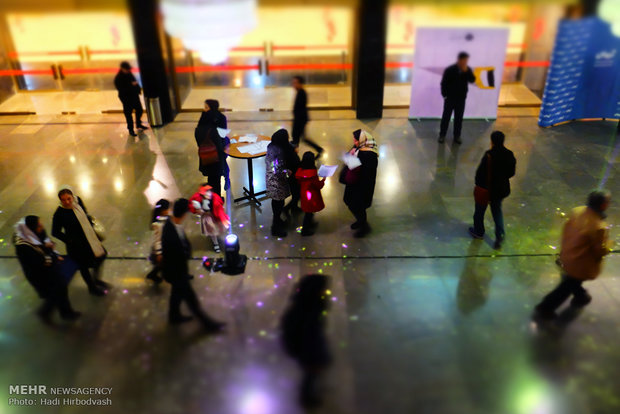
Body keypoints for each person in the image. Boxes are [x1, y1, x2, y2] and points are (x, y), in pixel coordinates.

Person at [534, 191, 613, 320]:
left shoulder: (577, 211)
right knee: (566, 288)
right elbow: (599, 250)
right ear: (603, 205)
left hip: (567, 254)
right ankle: (545, 307)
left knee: (570, 281)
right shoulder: (599, 227)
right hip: (580, 263)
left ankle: (581, 296)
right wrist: (609, 246)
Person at [161, 198, 225, 331]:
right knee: (191, 300)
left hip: (177, 272)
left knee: (176, 294)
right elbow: (172, 255)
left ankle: (174, 315)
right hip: (177, 272)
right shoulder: (170, 232)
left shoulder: (172, 224)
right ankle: (208, 324)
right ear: (184, 214)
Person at [13, 216, 81, 323]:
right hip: (40, 274)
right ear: (31, 228)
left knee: (59, 289)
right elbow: (39, 263)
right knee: (55, 292)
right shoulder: (23, 247)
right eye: (39, 225)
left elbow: (44, 239)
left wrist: (50, 246)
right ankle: (50, 313)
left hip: (49, 268)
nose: (42, 226)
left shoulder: (33, 231)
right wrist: (51, 253)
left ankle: (63, 312)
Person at [281, 274, 332, 408]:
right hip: (309, 350)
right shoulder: (309, 311)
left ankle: (310, 391)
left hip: (308, 347)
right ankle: (307, 397)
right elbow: (309, 334)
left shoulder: (304, 306)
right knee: (310, 374)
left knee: (312, 374)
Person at [52, 186, 109, 296]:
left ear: (72, 196)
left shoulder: (78, 201)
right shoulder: (59, 213)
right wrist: (69, 240)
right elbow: (55, 232)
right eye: (63, 200)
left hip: (89, 239)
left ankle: (96, 279)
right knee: (83, 267)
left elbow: (85, 213)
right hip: (76, 245)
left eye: (69, 198)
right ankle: (92, 287)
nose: (67, 202)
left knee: (101, 255)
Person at [468, 131, 516, 249]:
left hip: (487, 190)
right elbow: (511, 173)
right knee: (497, 212)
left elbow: (480, 173)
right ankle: (499, 236)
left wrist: (479, 185)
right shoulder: (509, 154)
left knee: (479, 212)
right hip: (501, 190)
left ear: (492, 141)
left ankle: (478, 232)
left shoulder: (489, 155)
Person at [339, 129, 379, 238]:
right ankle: (361, 221)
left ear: (361, 140)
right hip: (356, 184)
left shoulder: (368, 155)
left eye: (355, 140)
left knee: (357, 205)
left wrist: (351, 158)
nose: (354, 142)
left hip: (361, 186)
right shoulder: (361, 145)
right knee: (352, 203)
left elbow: (362, 171)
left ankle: (364, 225)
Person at [439, 52, 476, 144]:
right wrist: (445, 95)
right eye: (464, 60)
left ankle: (457, 136)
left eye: (467, 60)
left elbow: (472, 79)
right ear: (459, 60)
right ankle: (442, 135)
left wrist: (466, 71)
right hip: (450, 98)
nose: (465, 62)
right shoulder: (450, 69)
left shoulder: (467, 69)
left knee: (459, 118)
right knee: (446, 117)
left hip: (461, 99)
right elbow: (443, 83)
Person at [197, 99, 231, 190]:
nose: (204, 109)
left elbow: (223, 134)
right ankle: (225, 179)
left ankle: (226, 178)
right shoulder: (204, 117)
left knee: (221, 164)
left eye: (206, 107)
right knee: (218, 168)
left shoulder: (220, 117)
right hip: (210, 148)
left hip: (219, 146)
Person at [266, 129, 293, 237]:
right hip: (275, 182)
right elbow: (276, 170)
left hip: (274, 180)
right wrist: (288, 172)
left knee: (279, 203)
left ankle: (278, 222)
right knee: (278, 204)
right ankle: (275, 228)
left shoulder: (271, 146)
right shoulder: (277, 151)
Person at [189, 184, 230, 253]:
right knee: (212, 231)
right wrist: (197, 210)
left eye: (209, 191)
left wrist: (223, 220)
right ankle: (215, 243)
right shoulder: (198, 198)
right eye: (205, 192)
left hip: (216, 215)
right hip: (207, 217)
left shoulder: (215, 199)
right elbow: (191, 204)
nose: (208, 194)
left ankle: (222, 240)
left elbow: (219, 210)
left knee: (221, 229)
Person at [295, 152, 326, 236]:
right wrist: (323, 180)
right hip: (312, 196)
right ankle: (305, 230)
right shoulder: (312, 173)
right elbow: (318, 185)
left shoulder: (300, 170)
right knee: (308, 213)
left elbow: (299, 180)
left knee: (308, 211)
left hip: (304, 194)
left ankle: (310, 224)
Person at [291, 76, 324, 155]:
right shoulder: (300, 92)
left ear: (300, 83)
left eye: (295, 83)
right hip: (299, 119)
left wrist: (297, 121)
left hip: (300, 120)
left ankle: (318, 149)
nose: (293, 85)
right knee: (298, 138)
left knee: (298, 138)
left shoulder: (302, 93)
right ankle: (318, 149)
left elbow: (301, 108)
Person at [114, 61, 147, 137]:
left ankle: (138, 124)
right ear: (122, 69)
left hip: (134, 96)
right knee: (128, 114)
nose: (128, 70)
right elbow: (121, 89)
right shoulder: (118, 78)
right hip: (126, 98)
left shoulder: (129, 73)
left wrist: (138, 89)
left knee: (139, 110)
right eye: (127, 69)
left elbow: (135, 82)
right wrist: (131, 85)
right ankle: (131, 130)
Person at [195, 126, 226, 196]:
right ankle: (217, 199)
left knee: (211, 180)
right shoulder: (215, 131)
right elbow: (221, 146)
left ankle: (210, 197)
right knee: (216, 182)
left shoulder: (198, 130)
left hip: (206, 159)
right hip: (215, 161)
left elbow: (199, 144)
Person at [146, 199, 170, 284]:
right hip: (161, 249)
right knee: (161, 264)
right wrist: (159, 253)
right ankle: (153, 274)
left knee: (161, 265)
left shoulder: (165, 219)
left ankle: (153, 274)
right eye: (167, 209)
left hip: (165, 247)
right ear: (162, 211)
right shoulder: (158, 224)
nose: (169, 211)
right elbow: (158, 240)